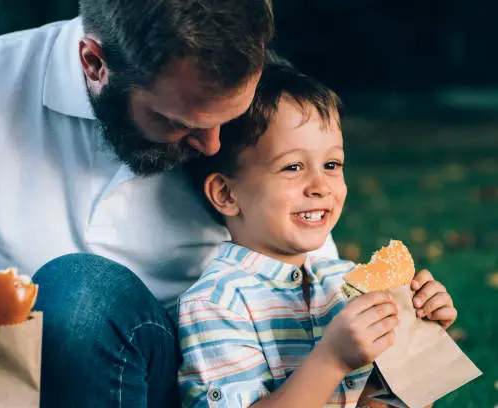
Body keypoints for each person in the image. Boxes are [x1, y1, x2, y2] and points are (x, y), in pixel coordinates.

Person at [0, 1, 341, 406]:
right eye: (174, 120)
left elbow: (309, 282)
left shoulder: (267, 113)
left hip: (185, 385)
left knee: (82, 296)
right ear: (94, 62)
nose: (212, 144)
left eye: (230, 117)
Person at [178, 59, 458, 407]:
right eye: (293, 167)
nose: (320, 186)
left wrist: (416, 338)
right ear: (226, 194)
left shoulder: (344, 283)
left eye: (332, 165)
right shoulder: (218, 303)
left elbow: (385, 404)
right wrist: (331, 360)